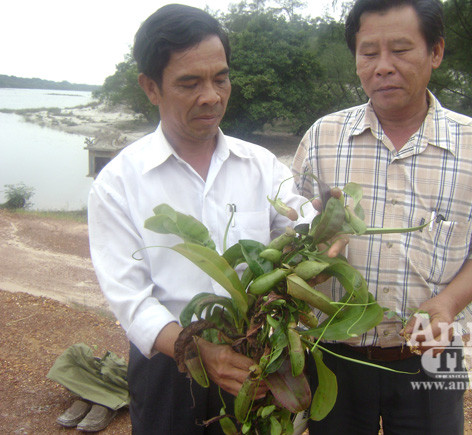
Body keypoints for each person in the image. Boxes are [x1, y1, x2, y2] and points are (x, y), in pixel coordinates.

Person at [292, 0, 472, 433]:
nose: (383, 66)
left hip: (433, 356)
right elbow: (292, 229)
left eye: (400, 50)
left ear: (435, 52)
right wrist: (314, 242)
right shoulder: (323, 139)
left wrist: (449, 303)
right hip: (335, 352)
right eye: (369, 52)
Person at [88, 4, 314, 434]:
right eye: (189, 83)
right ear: (151, 87)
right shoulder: (118, 183)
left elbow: (301, 225)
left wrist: (325, 228)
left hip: (255, 355)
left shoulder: (261, 165)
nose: (211, 96)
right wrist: (194, 349)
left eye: (220, 78)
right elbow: (130, 299)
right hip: (170, 368)